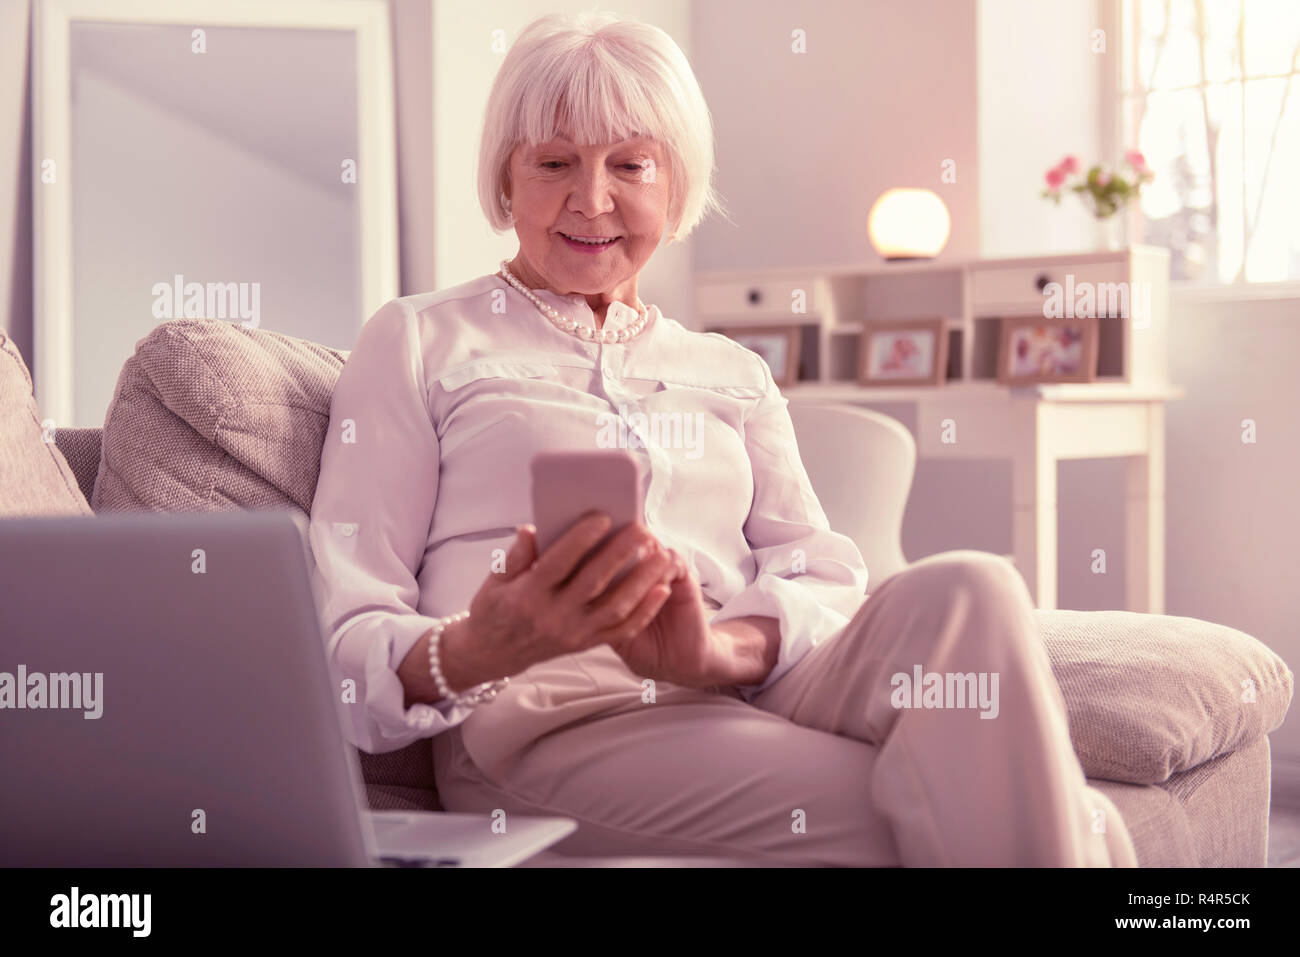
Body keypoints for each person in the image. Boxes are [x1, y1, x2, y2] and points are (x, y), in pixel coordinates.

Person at [307, 9, 1137, 867]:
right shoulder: (416, 340)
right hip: (556, 715)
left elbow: (821, 573)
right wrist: (476, 647)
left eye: (631, 164)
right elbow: (342, 630)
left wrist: (722, 648)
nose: (591, 199)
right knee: (1078, 827)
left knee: (970, 587)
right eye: (554, 163)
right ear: (507, 179)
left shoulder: (731, 370)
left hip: (747, 682)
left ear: (675, 185)